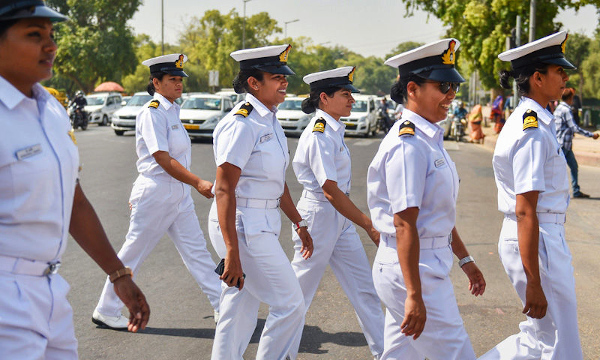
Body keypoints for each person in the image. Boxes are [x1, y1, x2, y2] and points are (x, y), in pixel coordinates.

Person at [0, 1, 149, 358]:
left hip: (50, 289)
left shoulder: (50, 109)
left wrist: (118, 275)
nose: (50, 46)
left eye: (51, 35)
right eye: (34, 36)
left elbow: (73, 201)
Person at [367, 39, 486, 359]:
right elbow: (405, 223)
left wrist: (465, 259)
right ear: (413, 89)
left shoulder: (428, 138)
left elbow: (437, 213)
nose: (451, 94)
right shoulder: (409, 144)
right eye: (443, 85)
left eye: (454, 86)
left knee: (400, 354)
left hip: (419, 263)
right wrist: (414, 294)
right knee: (458, 353)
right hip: (414, 270)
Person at [93, 53, 221, 329]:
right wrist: (198, 182)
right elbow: (162, 158)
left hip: (177, 193)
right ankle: (106, 308)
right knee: (133, 252)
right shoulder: (152, 112)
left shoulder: (171, 110)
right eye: (172, 79)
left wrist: (188, 186)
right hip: (157, 192)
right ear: (156, 82)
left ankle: (224, 304)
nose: (179, 84)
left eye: (180, 79)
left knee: (197, 252)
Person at [480, 31, 583, 359]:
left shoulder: (534, 123)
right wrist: (533, 281)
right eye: (559, 71)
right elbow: (526, 210)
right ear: (538, 78)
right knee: (559, 341)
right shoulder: (532, 131)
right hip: (538, 238)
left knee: (544, 337)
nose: (565, 77)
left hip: (538, 235)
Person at [207, 44, 313, 360]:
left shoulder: (269, 120)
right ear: (254, 83)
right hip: (242, 226)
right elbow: (224, 190)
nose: (284, 83)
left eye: (285, 77)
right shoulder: (242, 123)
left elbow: (276, 183)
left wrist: (299, 220)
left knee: (239, 306)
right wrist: (231, 252)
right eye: (276, 77)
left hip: (259, 223)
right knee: (290, 302)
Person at [292, 66, 385, 359]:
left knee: (365, 290)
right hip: (320, 215)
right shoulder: (320, 134)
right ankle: (278, 354)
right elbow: (330, 190)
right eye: (346, 95)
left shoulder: (332, 128)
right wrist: (368, 224)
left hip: (338, 216)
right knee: (297, 297)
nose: (352, 101)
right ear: (324, 97)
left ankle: (389, 353)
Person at [554, 87, 599, 198]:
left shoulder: (558, 108)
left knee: (573, 167)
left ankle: (575, 190)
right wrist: (591, 135)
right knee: (559, 170)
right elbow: (574, 128)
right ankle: (556, 192)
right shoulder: (566, 110)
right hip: (563, 144)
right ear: (570, 98)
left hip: (564, 144)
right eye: (572, 97)